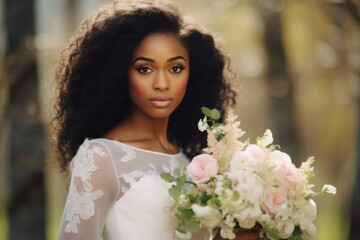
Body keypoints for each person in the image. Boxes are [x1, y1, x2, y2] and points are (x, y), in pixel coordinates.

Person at [52, 0, 258, 239]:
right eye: (145, 69)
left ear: (193, 73)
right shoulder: (99, 158)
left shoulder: (192, 162)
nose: (162, 84)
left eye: (176, 69)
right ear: (119, 72)